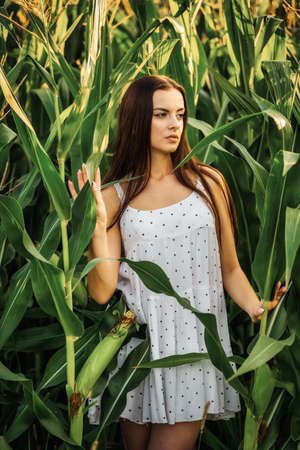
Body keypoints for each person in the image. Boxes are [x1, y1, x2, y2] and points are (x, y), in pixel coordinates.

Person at [68, 75, 286, 450]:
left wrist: (256, 307)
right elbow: (102, 292)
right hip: (138, 353)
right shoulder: (115, 196)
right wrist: (95, 226)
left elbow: (229, 269)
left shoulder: (208, 183)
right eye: (161, 114)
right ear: (137, 120)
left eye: (180, 114)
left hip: (194, 347)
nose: (174, 124)